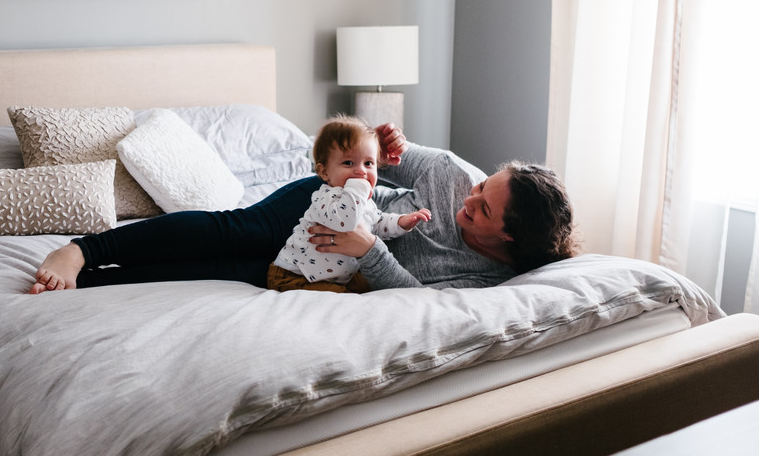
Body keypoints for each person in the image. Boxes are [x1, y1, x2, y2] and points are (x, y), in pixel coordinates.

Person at [28, 123, 579, 294]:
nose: (470, 196)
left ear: (508, 239)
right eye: (483, 186)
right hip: (324, 206)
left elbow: (419, 302)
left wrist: (373, 254)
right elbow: (384, 156)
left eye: (482, 209)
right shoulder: (456, 174)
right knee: (231, 233)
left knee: (225, 274)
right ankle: (83, 250)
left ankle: (96, 283)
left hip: (330, 270)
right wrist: (389, 144)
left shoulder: (485, 281)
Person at [267, 116, 431, 293]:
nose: (361, 171)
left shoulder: (365, 201)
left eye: (368, 163)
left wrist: (401, 222)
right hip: (296, 275)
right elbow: (346, 222)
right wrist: (358, 188)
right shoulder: (327, 197)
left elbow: (377, 223)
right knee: (344, 300)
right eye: (348, 163)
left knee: (371, 287)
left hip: (336, 275)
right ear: (324, 172)